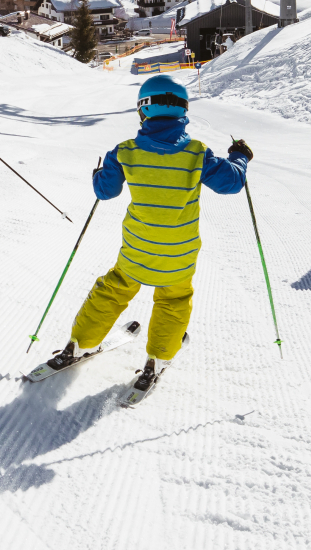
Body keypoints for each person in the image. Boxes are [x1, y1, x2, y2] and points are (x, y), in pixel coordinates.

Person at [32, 75, 250, 403]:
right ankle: (159, 358)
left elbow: (105, 192)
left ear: (143, 111)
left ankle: (80, 343)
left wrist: (98, 174)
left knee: (114, 289)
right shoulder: (197, 153)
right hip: (179, 254)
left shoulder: (124, 152)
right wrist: (240, 156)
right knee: (173, 301)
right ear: (183, 111)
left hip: (136, 250)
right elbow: (231, 184)